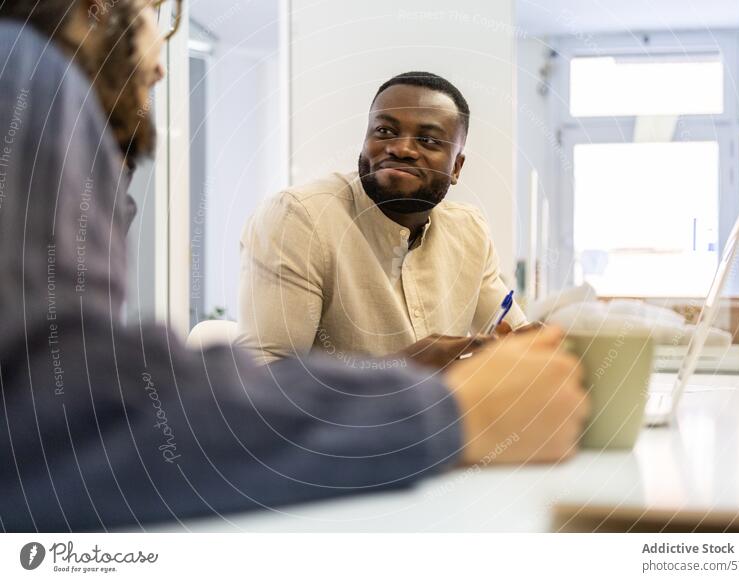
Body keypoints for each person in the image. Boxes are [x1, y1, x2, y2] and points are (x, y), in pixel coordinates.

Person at [0, 0, 587, 533]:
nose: (160, 61)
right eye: (159, 13)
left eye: (429, 140)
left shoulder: (59, 121)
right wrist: (443, 411)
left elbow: (78, 390)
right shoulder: (26, 78)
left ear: (458, 165)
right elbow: (66, 416)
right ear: (95, 8)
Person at [238, 71, 530, 368]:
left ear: (456, 167)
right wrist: (404, 368)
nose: (401, 149)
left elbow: (511, 335)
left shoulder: (469, 230)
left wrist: (539, 346)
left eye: (428, 140)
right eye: (385, 132)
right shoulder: (297, 218)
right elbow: (264, 378)